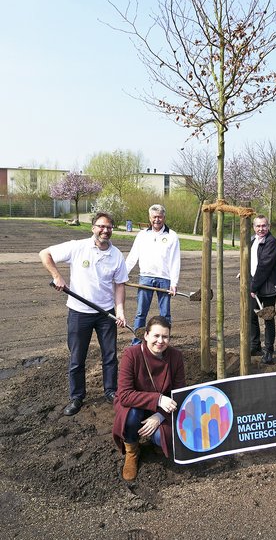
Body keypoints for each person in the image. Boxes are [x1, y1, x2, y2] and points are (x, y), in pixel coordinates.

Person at [39, 212, 128, 416]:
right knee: (77, 358)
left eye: (109, 227)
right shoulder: (77, 247)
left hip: (106, 313)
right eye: (101, 226)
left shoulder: (116, 255)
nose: (105, 230)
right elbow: (45, 254)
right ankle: (77, 397)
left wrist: (120, 311)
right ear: (93, 228)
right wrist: (57, 276)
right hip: (79, 313)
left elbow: (120, 285)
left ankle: (110, 391)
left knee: (110, 355)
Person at [112, 315, 186, 481]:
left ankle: (155, 441)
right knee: (131, 417)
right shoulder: (131, 354)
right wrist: (158, 399)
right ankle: (132, 451)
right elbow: (124, 395)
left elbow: (180, 393)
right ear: (146, 335)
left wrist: (160, 416)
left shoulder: (175, 357)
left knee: (162, 438)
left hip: (162, 408)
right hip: (133, 405)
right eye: (156, 336)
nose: (160, 341)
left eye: (165, 336)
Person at [126, 204, 180, 340]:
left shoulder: (172, 236)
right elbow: (133, 256)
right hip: (145, 278)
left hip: (164, 279)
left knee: (165, 315)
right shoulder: (142, 235)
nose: (157, 220)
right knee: (140, 313)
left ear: (164, 217)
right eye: (154, 217)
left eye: (160, 217)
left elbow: (175, 261)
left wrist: (174, 283)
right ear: (150, 218)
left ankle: (165, 341)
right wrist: (123, 274)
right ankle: (137, 342)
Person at [250, 215, 276, 365]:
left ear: (268, 226)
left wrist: (253, 287)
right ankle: (255, 346)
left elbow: (264, 266)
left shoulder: (271, 242)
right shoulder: (252, 241)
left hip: (267, 287)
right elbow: (250, 261)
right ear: (254, 227)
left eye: (264, 226)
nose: (261, 229)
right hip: (254, 284)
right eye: (258, 226)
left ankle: (269, 351)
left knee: (268, 318)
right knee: (252, 316)